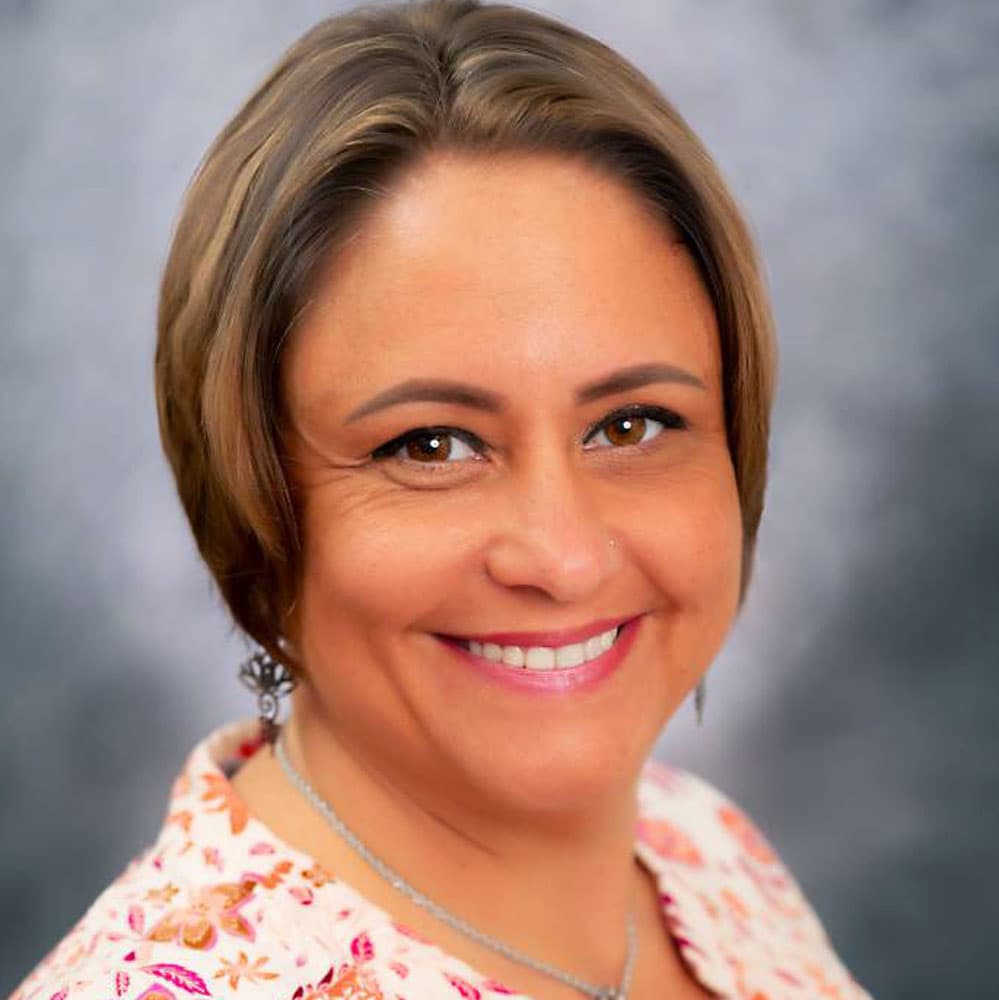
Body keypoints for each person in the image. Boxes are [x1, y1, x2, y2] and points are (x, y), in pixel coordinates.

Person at [12, 1, 874, 998]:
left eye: (631, 425)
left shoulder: (701, 848)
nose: (564, 557)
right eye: (431, 445)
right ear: (253, 494)